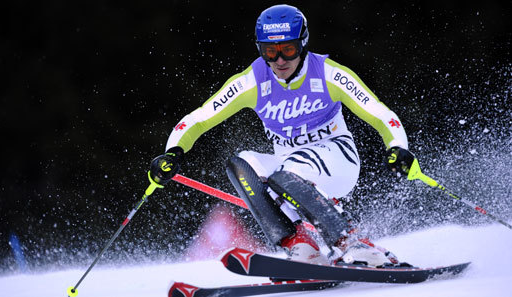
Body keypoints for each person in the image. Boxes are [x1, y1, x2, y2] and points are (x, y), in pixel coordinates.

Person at [149, 4, 414, 267]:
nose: (279, 60)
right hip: (287, 173)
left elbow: (379, 113)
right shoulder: (252, 80)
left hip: (337, 160)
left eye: (288, 50)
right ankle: (302, 246)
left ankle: (352, 243)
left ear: (303, 43)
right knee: (242, 165)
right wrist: (172, 152)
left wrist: (398, 146)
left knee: (286, 172)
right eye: (270, 51)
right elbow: (198, 119)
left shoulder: (328, 74)